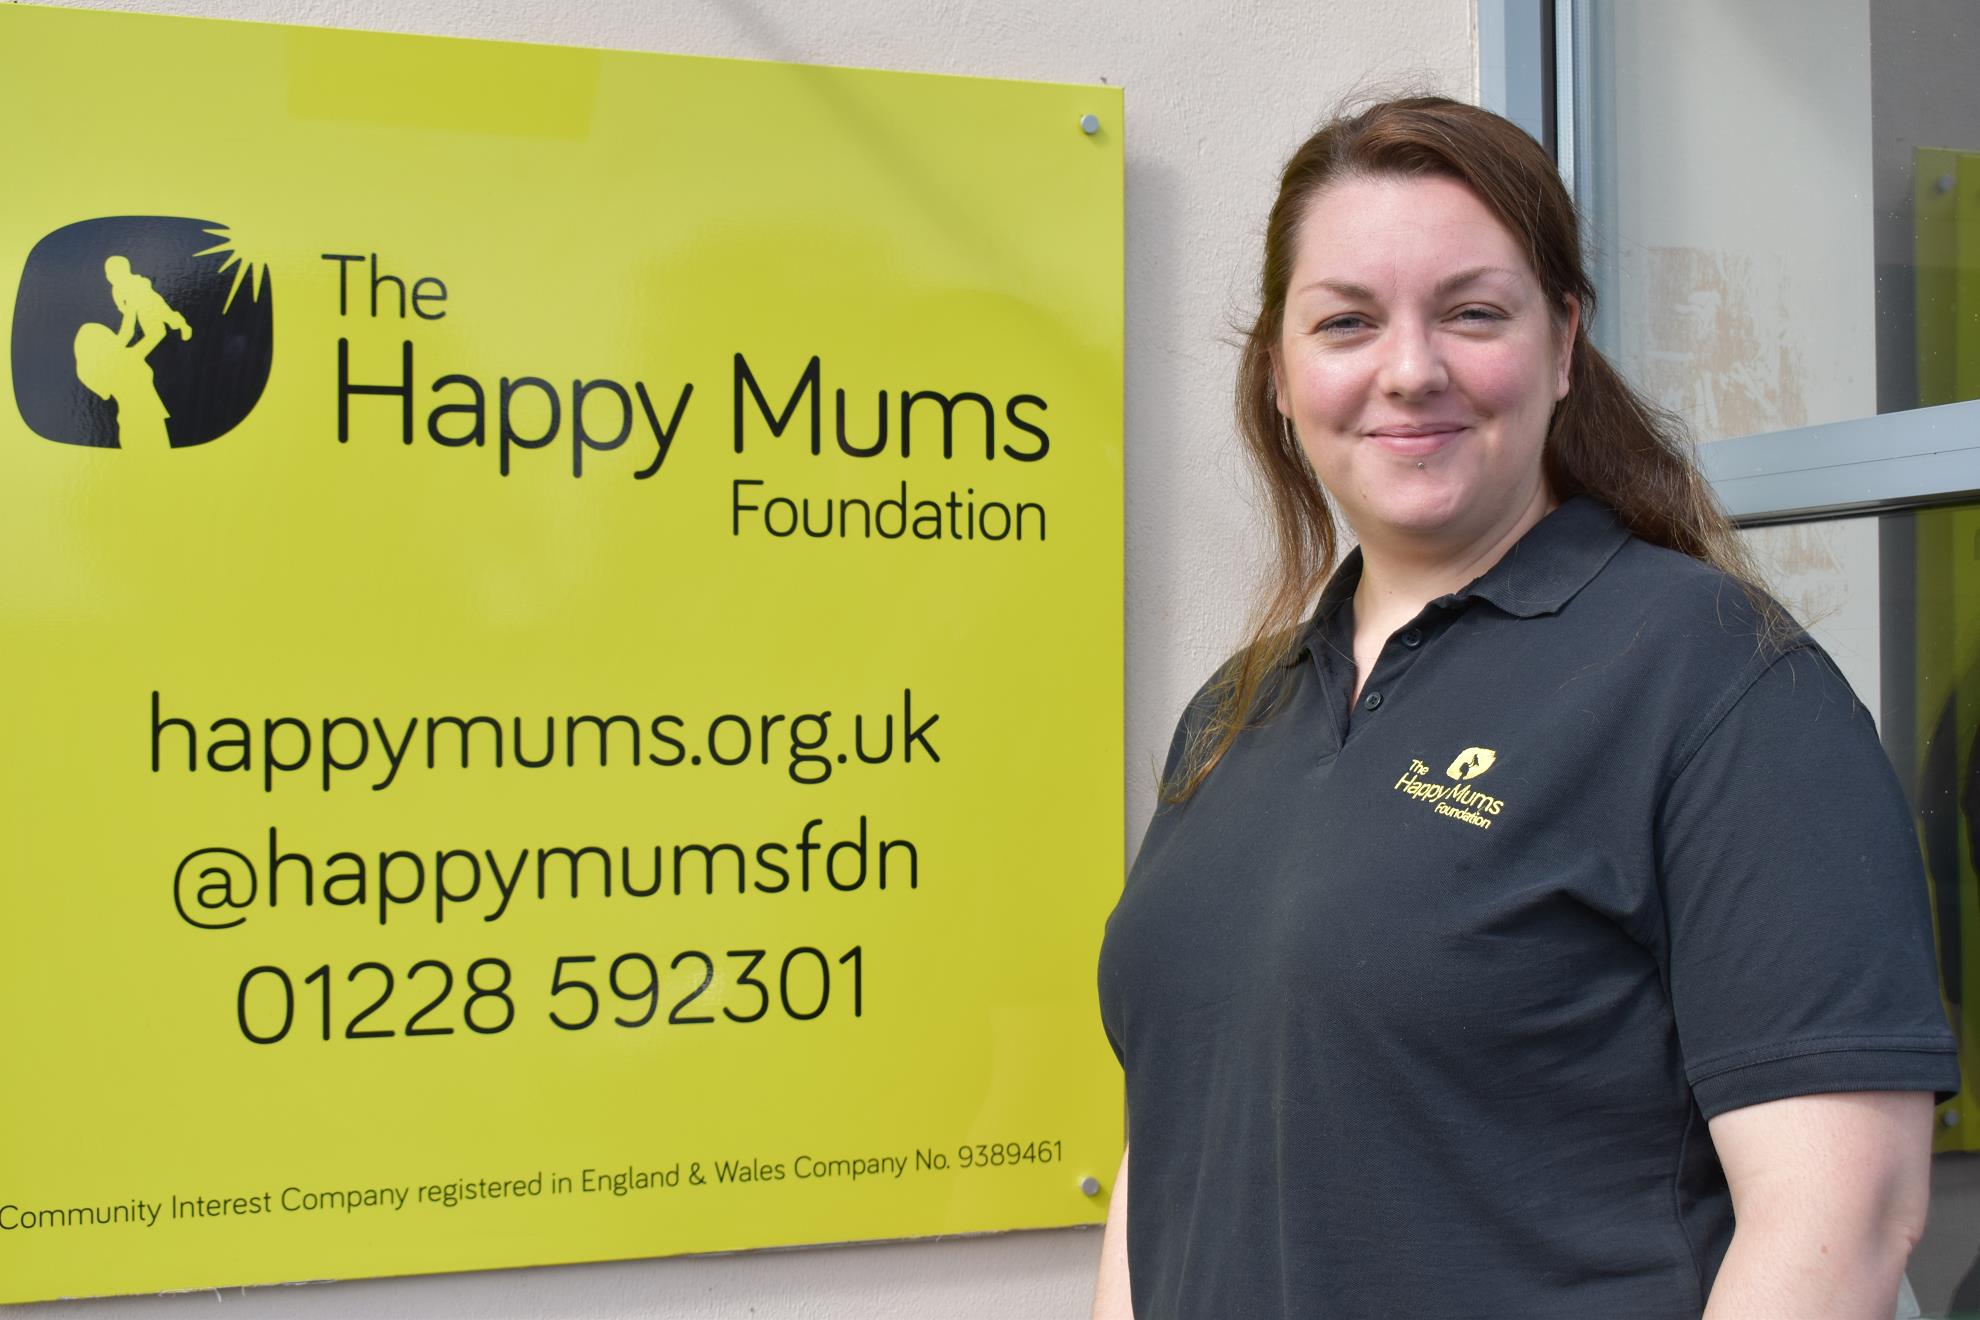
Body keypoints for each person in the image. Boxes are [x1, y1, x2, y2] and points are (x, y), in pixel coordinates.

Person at [1094, 96, 1959, 1319]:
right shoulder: (1233, 715)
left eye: (1472, 313)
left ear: (1562, 346)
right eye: (1347, 321)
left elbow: (1847, 1220)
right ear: (1279, 376)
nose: (1410, 369)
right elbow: (1177, 1146)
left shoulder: (1716, 680)